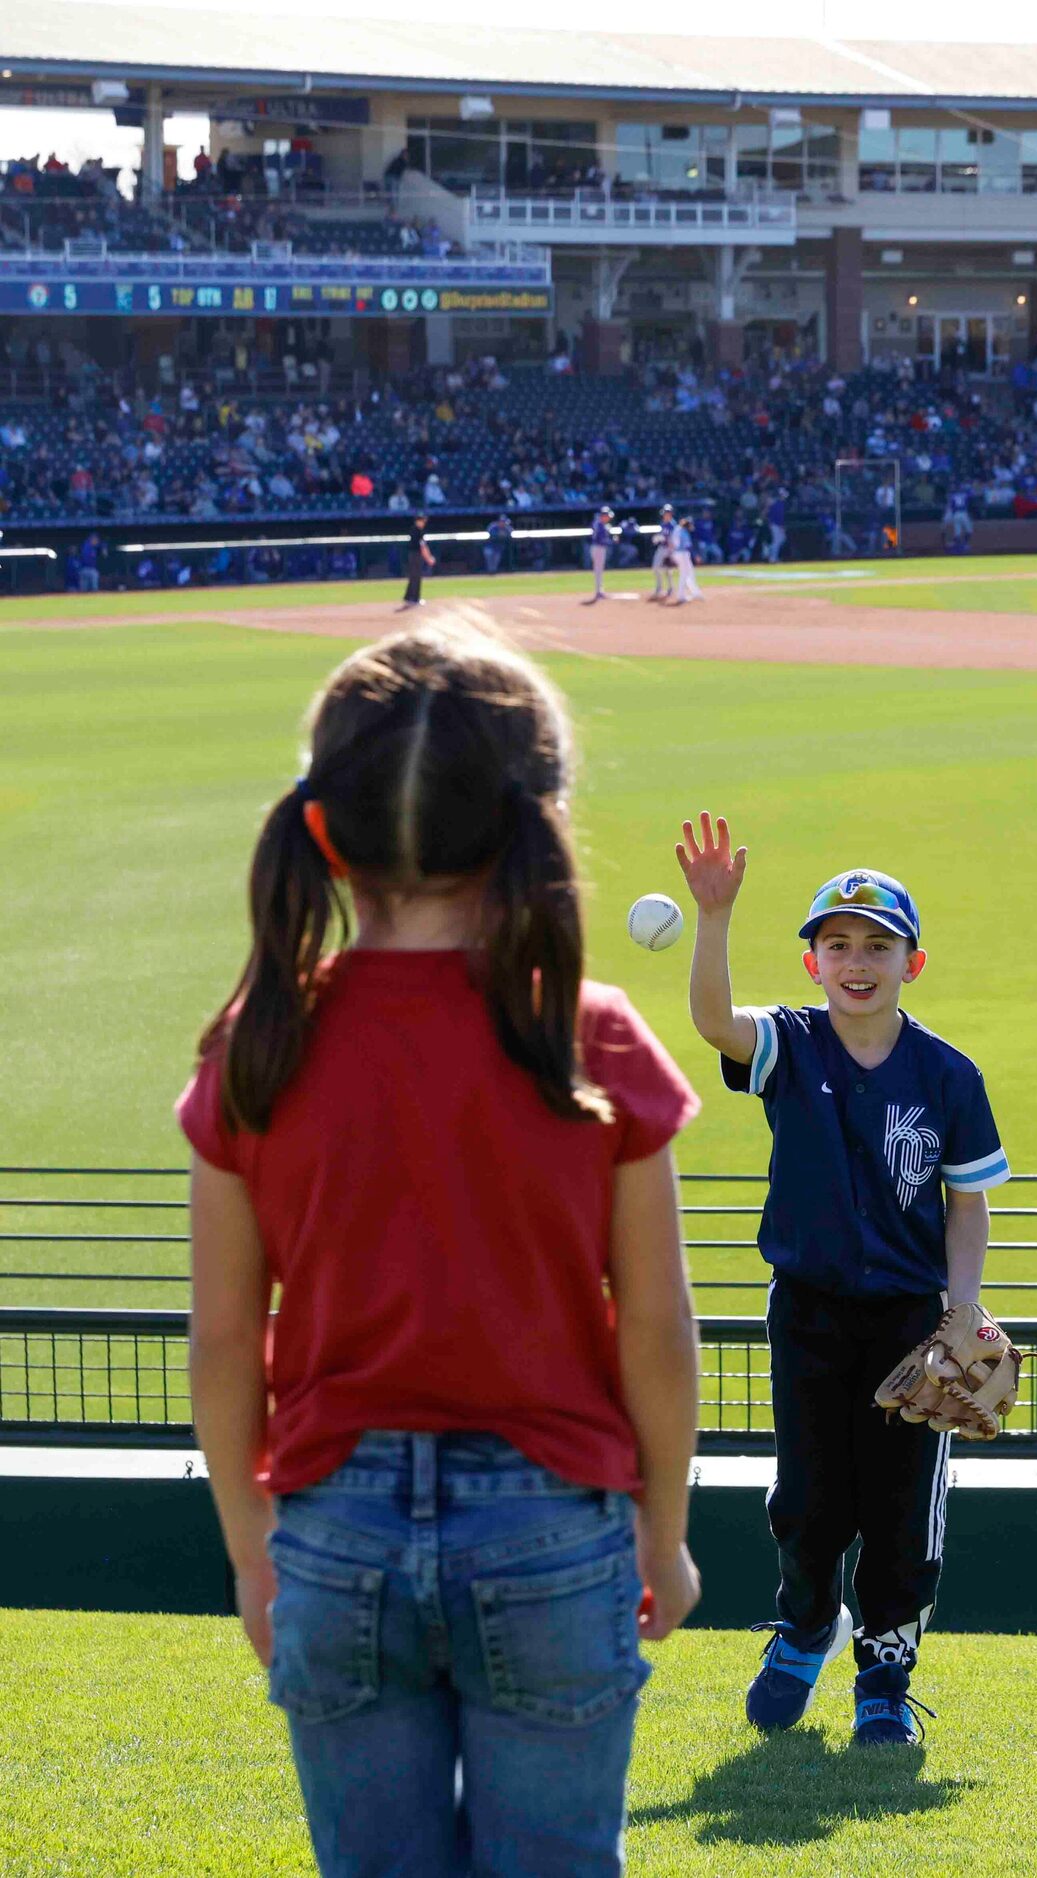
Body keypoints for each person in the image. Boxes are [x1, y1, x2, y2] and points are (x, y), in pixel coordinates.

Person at [179, 623, 704, 1875]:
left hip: (333, 1529)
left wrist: (256, 1558)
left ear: (324, 829)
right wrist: (666, 1529)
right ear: (537, 819)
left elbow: (217, 1343)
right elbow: (656, 1330)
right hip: (550, 1526)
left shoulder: (260, 1039)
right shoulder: (592, 1036)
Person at [673, 827, 1010, 1746]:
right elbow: (714, 1022)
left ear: (914, 961)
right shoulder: (791, 1042)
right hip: (811, 1313)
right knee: (810, 1503)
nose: (857, 962)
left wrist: (962, 1311)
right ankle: (808, 1624)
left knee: (903, 1518)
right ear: (813, 960)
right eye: (838, 944)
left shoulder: (948, 1075)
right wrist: (714, 917)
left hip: (911, 1322)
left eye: (878, 944)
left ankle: (886, 1680)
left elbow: (967, 1203)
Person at [399, 513, 434, 610]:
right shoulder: (417, 530)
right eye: (422, 520)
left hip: (413, 555)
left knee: (414, 576)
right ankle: (414, 598)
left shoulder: (414, 529)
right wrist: (429, 558)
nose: (424, 522)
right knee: (416, 576)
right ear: (418, 521)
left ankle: (409, 597)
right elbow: (423, 546)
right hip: (415, 555)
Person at [668, 511, 701, 603]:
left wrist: (671, 554)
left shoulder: (677, 529)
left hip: (676, 553)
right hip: (682, 554)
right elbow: (688, 546)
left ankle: (695, 592)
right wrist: (695, 556)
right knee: (684, 574)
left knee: (690, 571)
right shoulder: (683, 532)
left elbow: (671, 542)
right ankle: (681, 596)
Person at [650, 504, 676, 601]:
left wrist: (664, 540)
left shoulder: (672, 525)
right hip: (662, 548)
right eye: (665, 513)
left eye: (668, 513)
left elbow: (673, 539)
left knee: (668, 570)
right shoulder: (663, 524)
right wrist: (658, 538)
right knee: (656, 567)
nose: (666, 515)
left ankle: (670, 588)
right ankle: (659, 587)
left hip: (669, 549)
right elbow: (662, 536)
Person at [587, 504, 613, 603]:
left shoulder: (600, 524)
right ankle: (599, 591)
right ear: (603, 515)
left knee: (599, 570)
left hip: (599, 548)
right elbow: (599, 539)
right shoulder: (599, 524)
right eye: (607, 516)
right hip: (597, 548)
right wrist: (610, 541)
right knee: (598, 570)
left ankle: (600, 590)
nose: (609, 518)